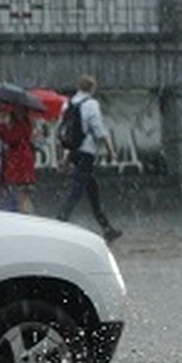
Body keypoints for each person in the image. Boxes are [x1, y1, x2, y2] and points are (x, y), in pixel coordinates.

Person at [56, 74, 122, 243]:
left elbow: (61, 130)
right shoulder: (91, 104)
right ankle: (60, 220)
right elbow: (98, 128)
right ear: (92, 88)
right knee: (78, 190)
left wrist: (64, 157)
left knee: (92, 189)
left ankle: (107, 228)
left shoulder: (68, 103)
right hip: (87, 151)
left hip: (73, 150)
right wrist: (110, 150)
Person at [0, 103, 36, 213]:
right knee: (23, 193)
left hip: (20, 162)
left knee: (21, 194)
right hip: (22, 162)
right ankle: (27, 214)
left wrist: (2, 125)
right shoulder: (25, 123)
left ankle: (26, 216)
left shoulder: (21, 124)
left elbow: (11, 139)